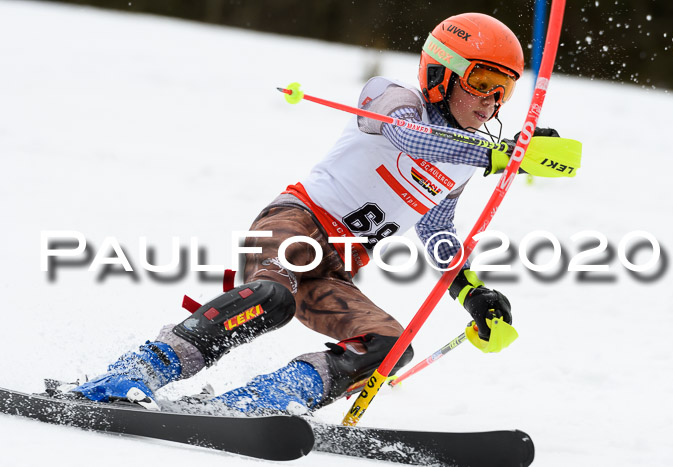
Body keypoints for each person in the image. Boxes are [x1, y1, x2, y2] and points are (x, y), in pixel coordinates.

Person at [70, 12, 554, 415]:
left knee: (388, 347)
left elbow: (436, 228)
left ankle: (258, 403)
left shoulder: (463, 159)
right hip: (293, 226)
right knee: (271, 299)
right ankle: (138, 371)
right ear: (441, 74)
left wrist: (471, 293)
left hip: (337, 268)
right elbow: (409, 137)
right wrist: (500, 155)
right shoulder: (390, 97)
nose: (491, 101)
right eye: (482, 81)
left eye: (503, 91)